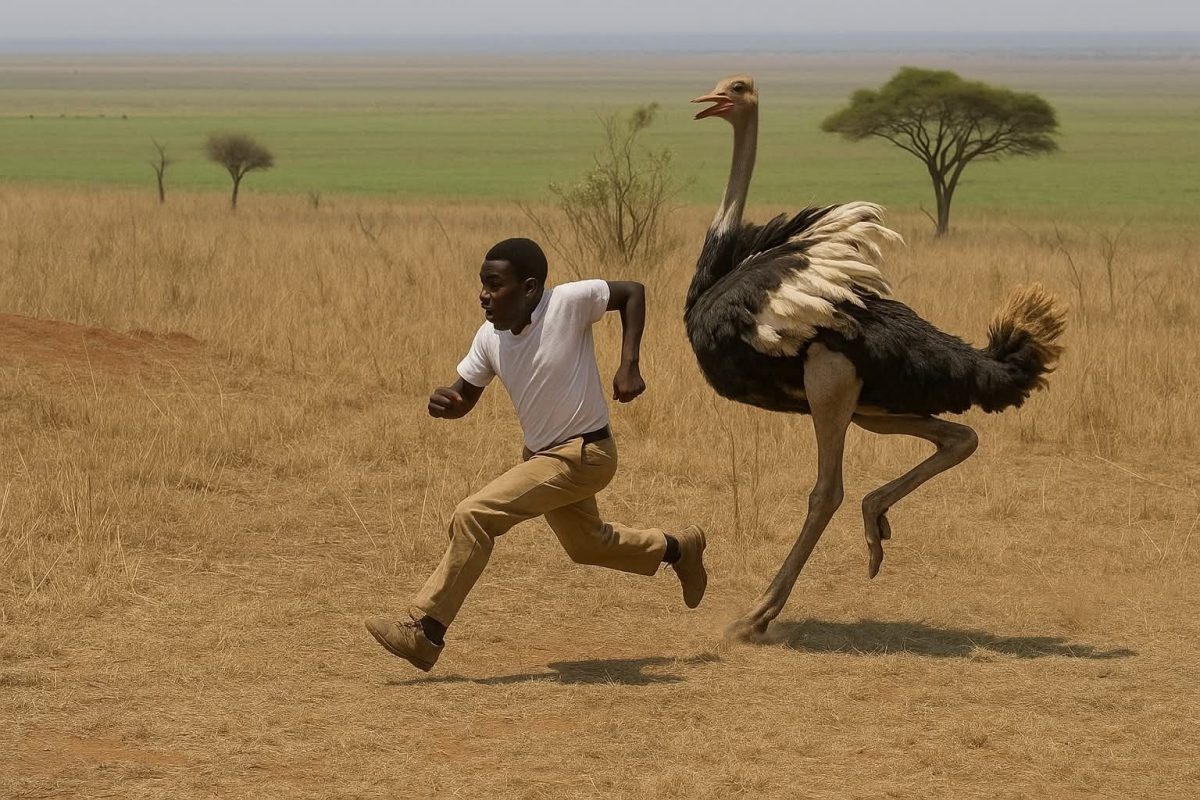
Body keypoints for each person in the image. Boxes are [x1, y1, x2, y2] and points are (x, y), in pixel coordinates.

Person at [365, 237, 707, 672]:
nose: (484, 295)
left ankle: (425, 630)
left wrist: (629, 363)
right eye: (482, 284)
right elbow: (465, 393)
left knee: (474, 515)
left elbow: (632, 291)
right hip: (544, 459)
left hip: (584, 453)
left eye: (494, 284)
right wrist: (449, 403)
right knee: (587, 545)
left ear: (529, 289)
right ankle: (678, 549)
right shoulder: (490, 337)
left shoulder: (566, 302)